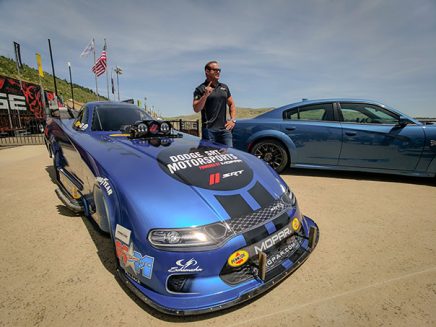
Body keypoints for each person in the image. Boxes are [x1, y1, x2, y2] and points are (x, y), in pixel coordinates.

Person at [193, 61, 236, 147]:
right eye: (215, 70)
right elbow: (196, 109)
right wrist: (205, 95)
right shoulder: (200, 89)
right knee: (210, 158)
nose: (218, 72)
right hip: (209, 131)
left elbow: (231, 104)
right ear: (207, 72)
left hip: (225, 131)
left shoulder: (224, 87)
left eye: (219, 70)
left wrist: (233, 120)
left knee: (229, 156)